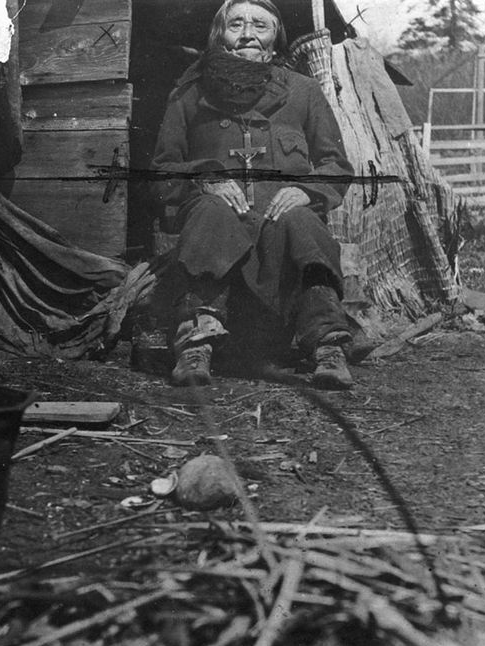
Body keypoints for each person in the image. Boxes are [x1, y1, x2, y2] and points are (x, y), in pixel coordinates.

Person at [150, 0, 358, 389]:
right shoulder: (189, 93)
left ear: (275, 37)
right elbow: (161, 170)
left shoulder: (303, 91)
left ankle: (328, 346)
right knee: (212, 211)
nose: (247, 33)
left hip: (279, 238)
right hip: (215, 235)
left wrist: (305, 191)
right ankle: (196, 344)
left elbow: (336, 166)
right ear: (219, 35)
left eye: (260, 25)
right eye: (236, 24)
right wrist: (204, 181)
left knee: (300, 221)